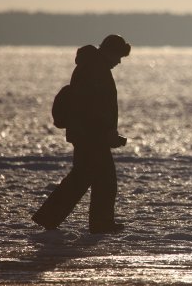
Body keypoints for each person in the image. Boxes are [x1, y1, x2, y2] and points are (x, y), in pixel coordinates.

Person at [33, 34, 131, 234]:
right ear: (109, 51)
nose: (119, 61)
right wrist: (107, 133)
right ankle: (97, 223)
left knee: (90, 177)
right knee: (98, 179)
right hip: (91, 136)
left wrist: (108, 133)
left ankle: (59, 218)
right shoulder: (95, 69)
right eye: (118, 56)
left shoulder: (93, 66)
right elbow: (95, 108)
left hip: (89, 134)